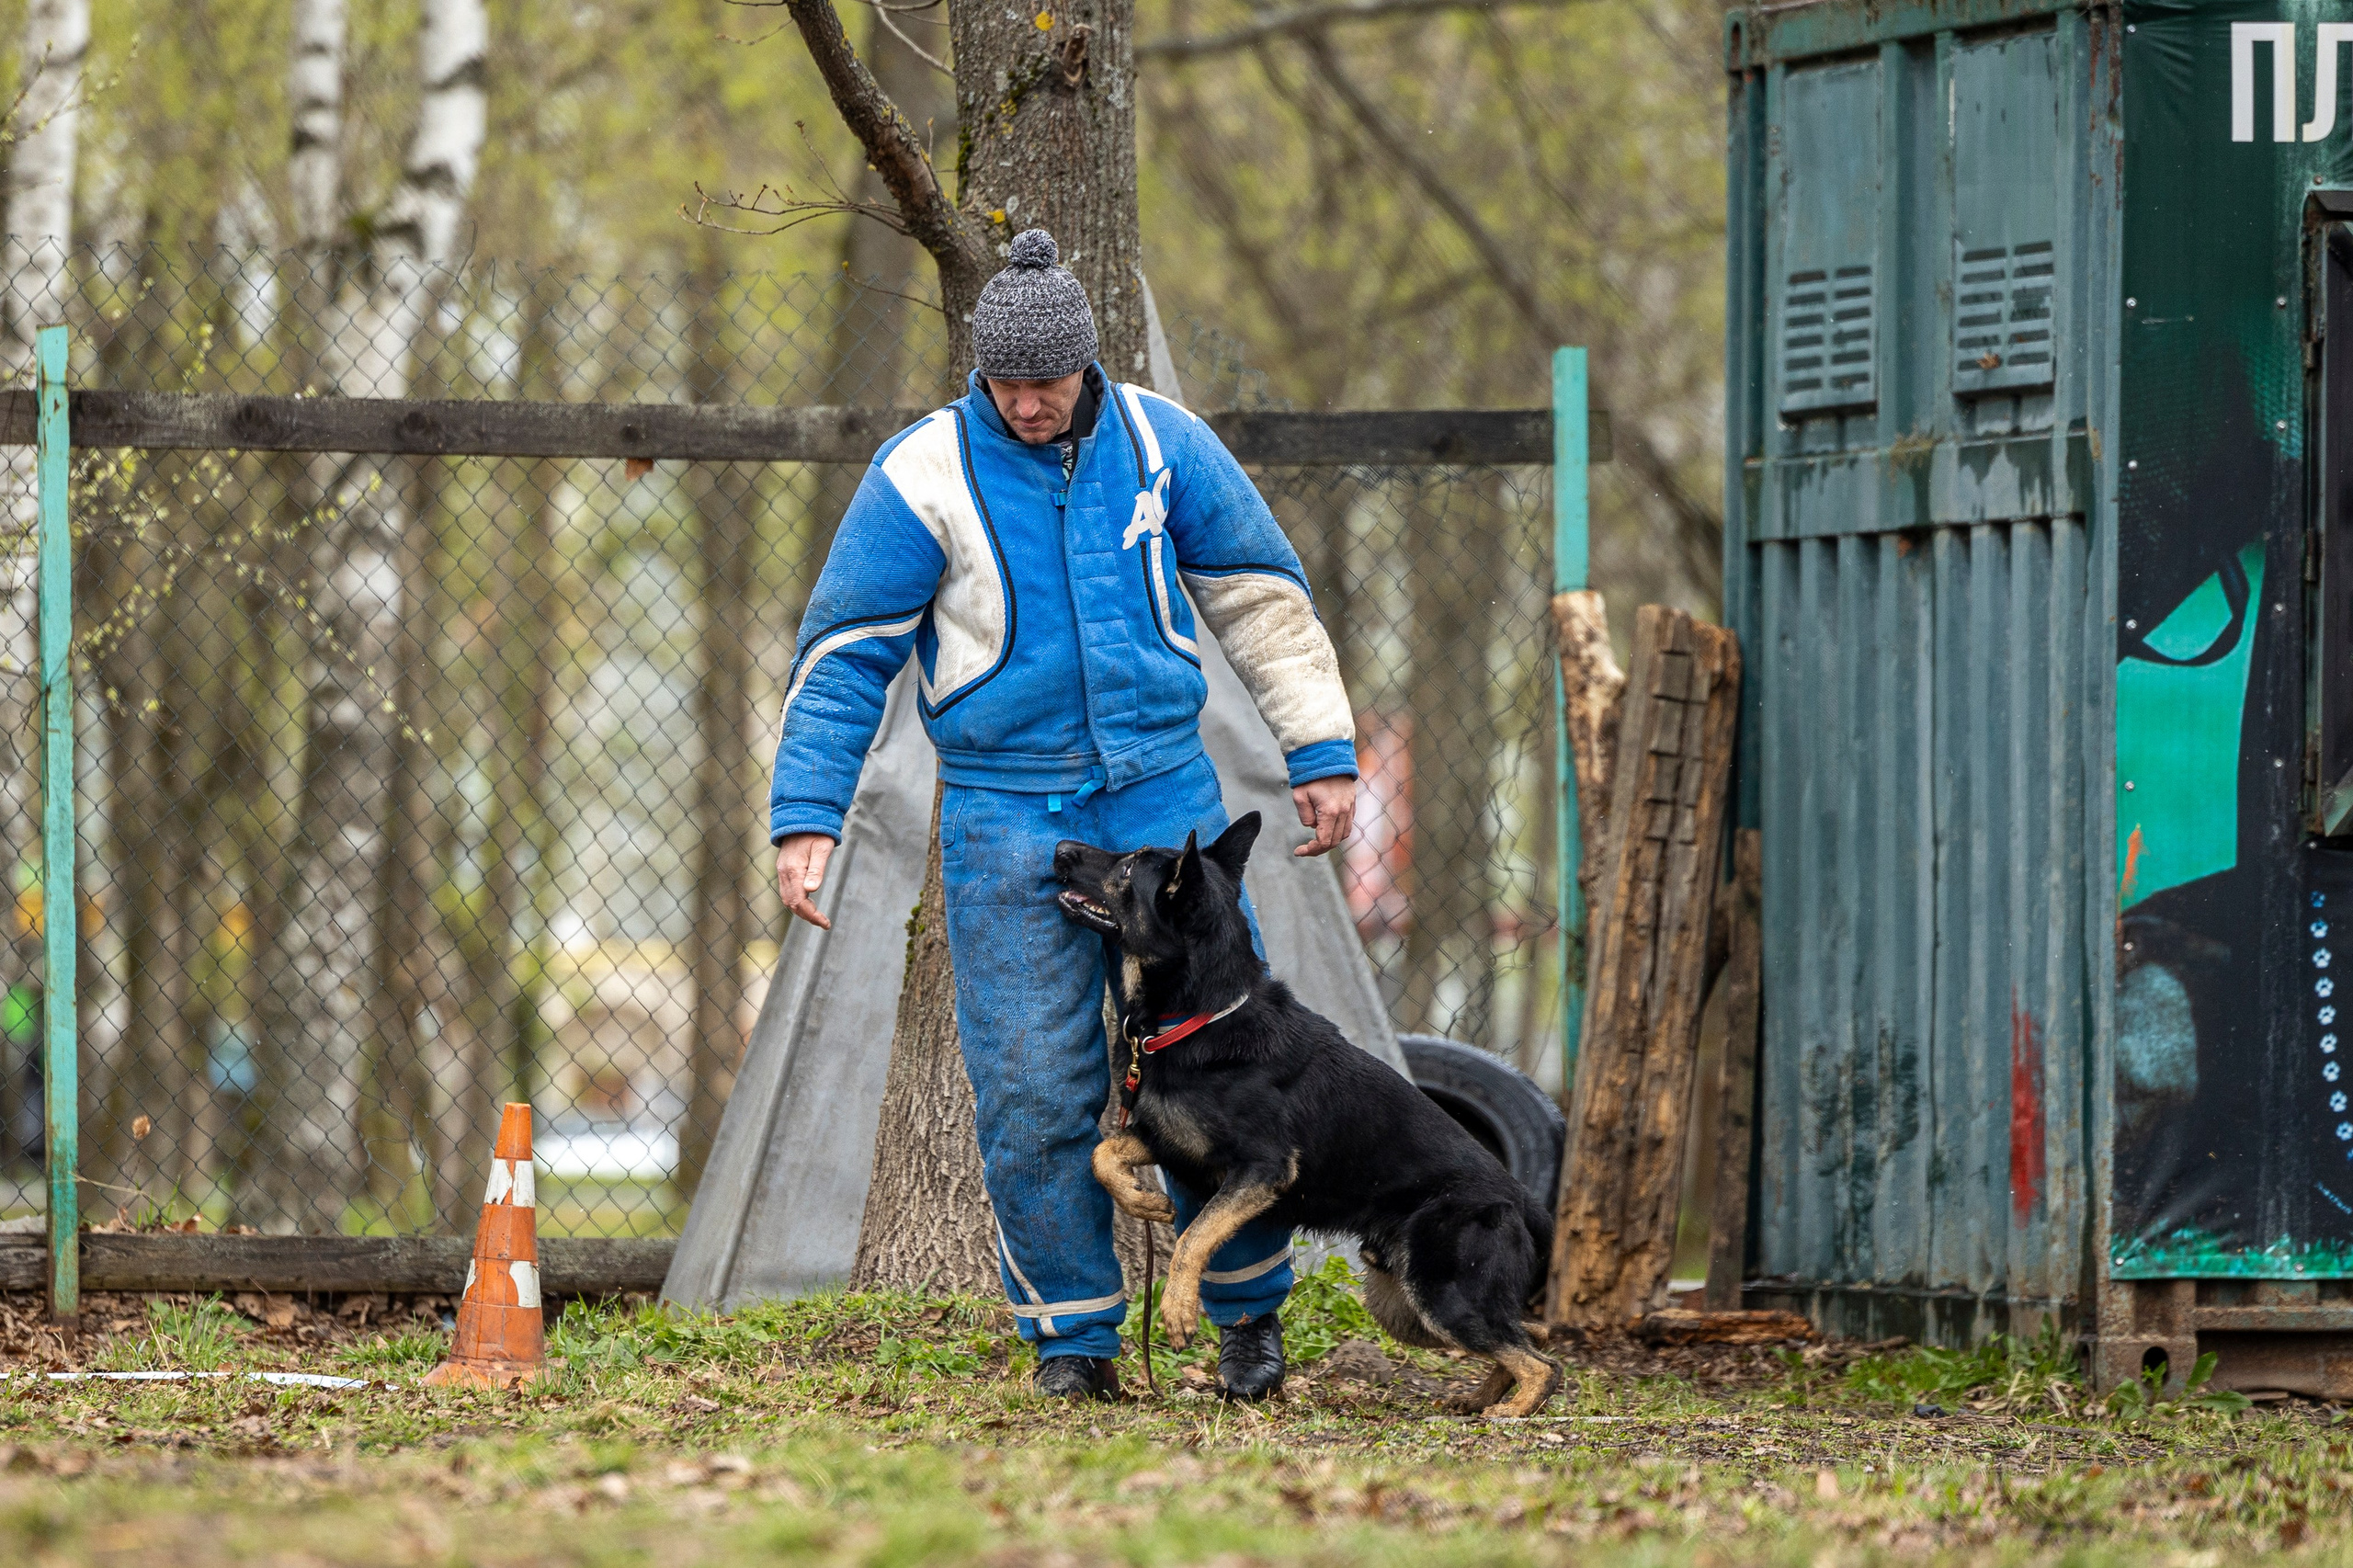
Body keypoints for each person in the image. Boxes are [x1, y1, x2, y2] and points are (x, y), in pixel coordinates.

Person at [768, 229, 1358, 1403]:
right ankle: (1074, 1341)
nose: (1029, 404)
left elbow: (1262, 599)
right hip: (1003, 810)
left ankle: (1246, 1323)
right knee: (1033, 1080)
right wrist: (806, 814)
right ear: (978, 372)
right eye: (1007, 384)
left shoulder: (1160, 440)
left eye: (1048, 382)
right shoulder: (919, 471)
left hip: (1163, 794)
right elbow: (841, 658)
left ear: (1088, 365)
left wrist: (1322, 749)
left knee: (1229, 1072)